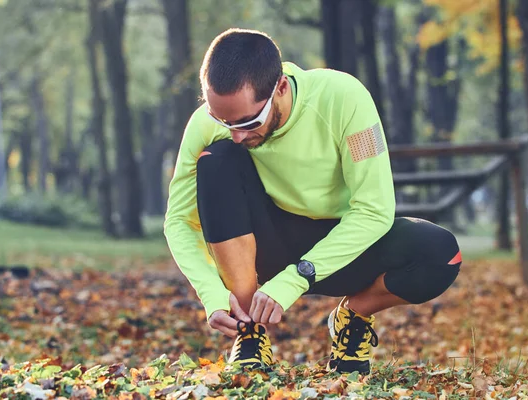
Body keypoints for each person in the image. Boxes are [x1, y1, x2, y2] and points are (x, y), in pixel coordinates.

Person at [164, 28, 462, 375]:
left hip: (345, 248)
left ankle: (353, 315)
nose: (237, 134)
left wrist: (297, 278)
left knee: (441, 253)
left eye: (248, 122)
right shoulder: (208, 125)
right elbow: (179, 221)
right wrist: (211, 294)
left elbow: (375, 210)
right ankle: (248, 331)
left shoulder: (345, 99)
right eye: (222, 120)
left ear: (280, 87)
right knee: (216, 159)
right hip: (267, 244)